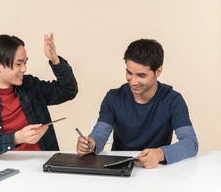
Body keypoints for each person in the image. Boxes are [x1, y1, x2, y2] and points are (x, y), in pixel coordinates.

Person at [76, 39, 198, 169]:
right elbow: (100, 133)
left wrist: (160, 154)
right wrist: (91, 143)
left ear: (158, 71)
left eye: (141, 75)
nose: (133, 81)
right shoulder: (113, 97)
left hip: (157, 170)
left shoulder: (173, 100)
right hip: (119, 168)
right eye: (129, 72)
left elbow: (190, 143)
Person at [0, 33, 78, 159]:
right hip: (3, 169)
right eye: (18, 64)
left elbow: (68, 90)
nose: (24, 69)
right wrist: (17, 138)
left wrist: (55, 61)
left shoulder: (30, 86)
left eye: (25, 63)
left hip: (43, 165)